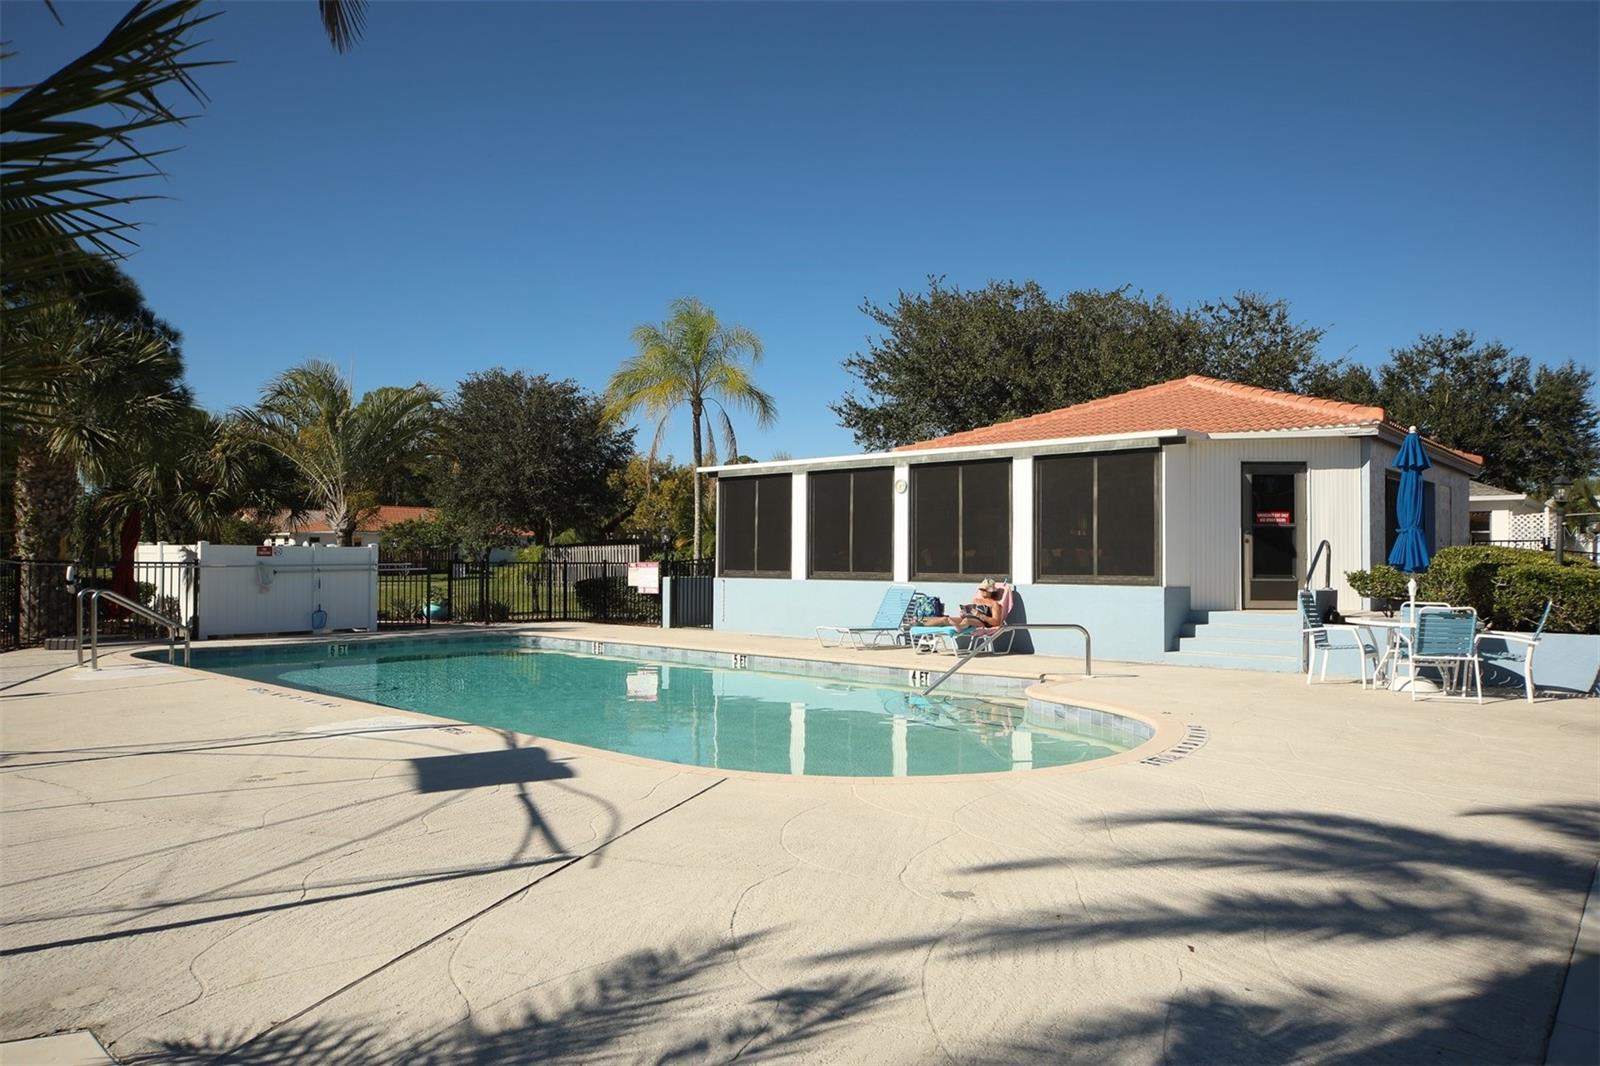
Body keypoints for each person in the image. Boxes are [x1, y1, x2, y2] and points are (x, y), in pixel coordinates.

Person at [923, 578, 1005, 631]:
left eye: (985, 589)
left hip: (981, 622)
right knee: (945, 619)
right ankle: (922, 623)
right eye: (981, 589)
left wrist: (980, 615)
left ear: (991, 591)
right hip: (968, 618)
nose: (982, 591)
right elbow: (968, 613)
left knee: (967, 620)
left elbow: (996, 622)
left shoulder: (994, 604)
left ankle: (959, 627)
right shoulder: (975, 600)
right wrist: (963, 614)